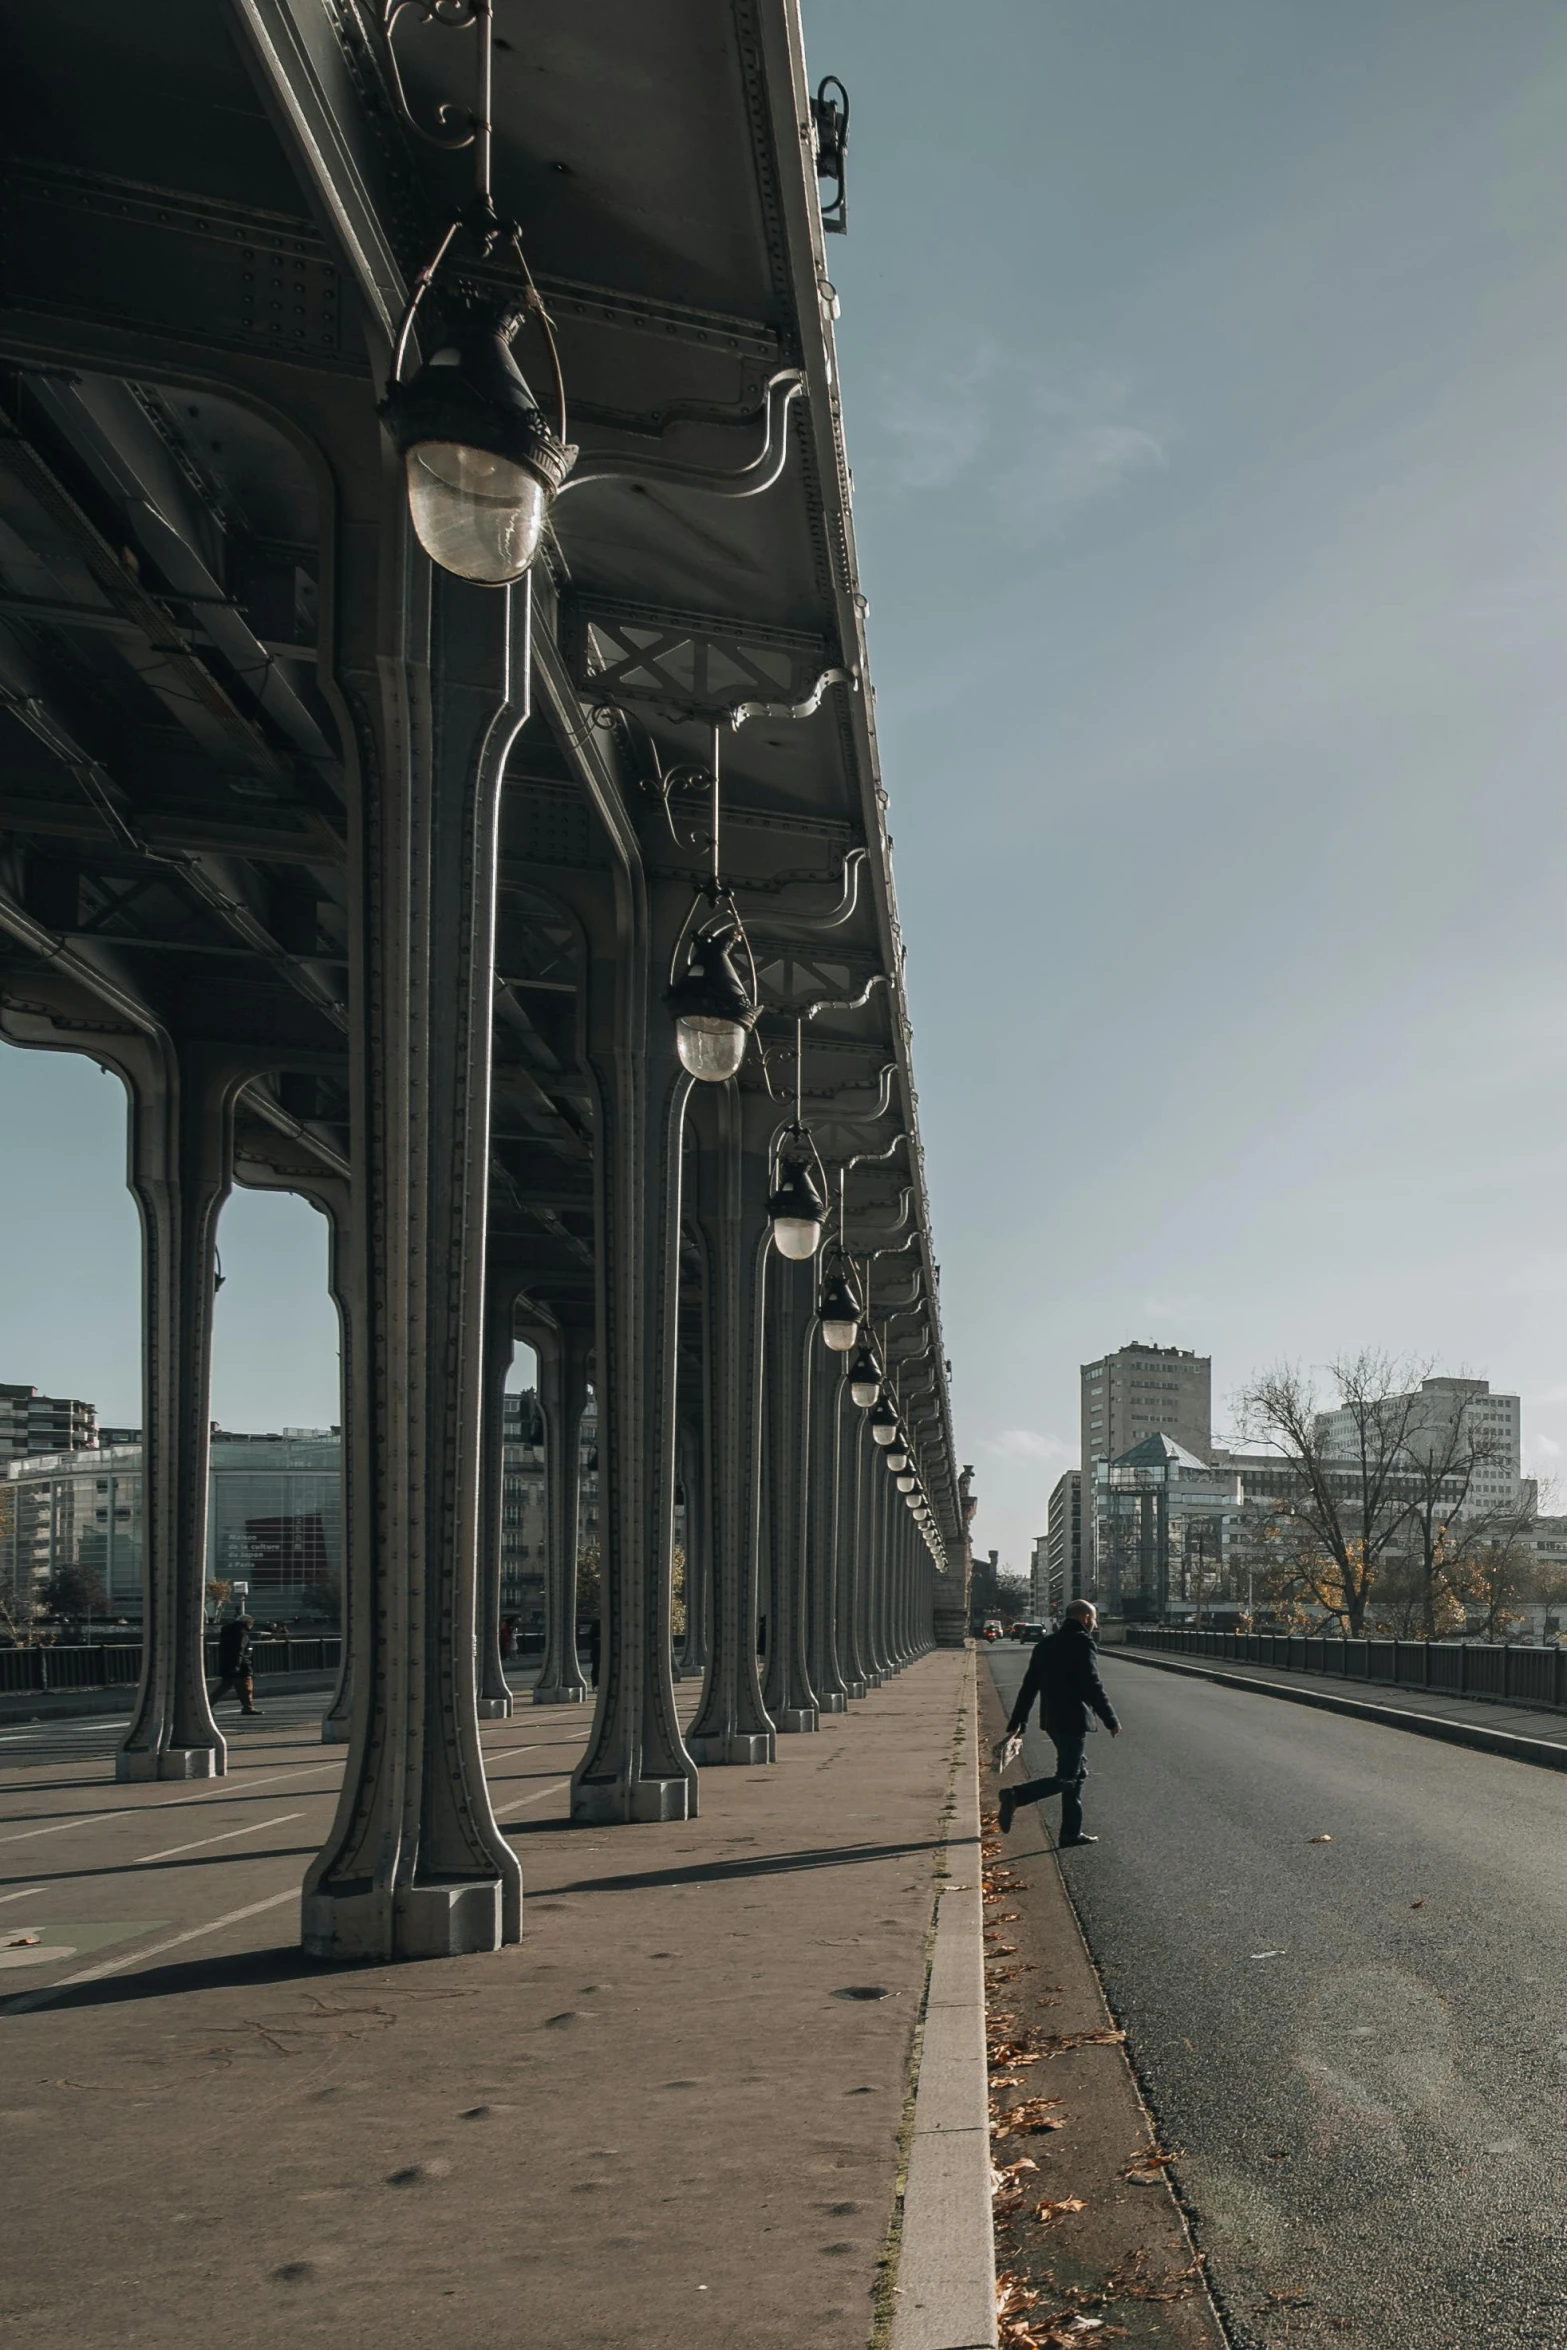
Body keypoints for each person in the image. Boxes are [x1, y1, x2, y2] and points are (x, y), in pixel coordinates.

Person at [997, 1599, 1119, 1846]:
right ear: (1085, 1618)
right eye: (1093, 1619)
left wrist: (1018, 1719)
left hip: (1051, 1719)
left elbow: (1030, 1685)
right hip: (1073, 1719)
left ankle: (1070, 1833)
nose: (1094, 1624)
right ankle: (1016, 1796)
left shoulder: (1046, 1643)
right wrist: (1110, 1719)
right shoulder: (1082, 1643)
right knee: (1067, 1777)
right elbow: (1092, 1685)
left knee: (1077, 1773)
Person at [211, 1612, 262, 1716]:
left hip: (227, 1664)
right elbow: (239, 1649)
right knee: (246, 1687)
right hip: (241, 1665)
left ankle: (207, 1706)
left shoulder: (227, 1632)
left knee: (223, 1687)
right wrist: (237, 1665)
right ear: (247, 1622)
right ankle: (248, 1707)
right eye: (251, 1623)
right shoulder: (241, 1633)